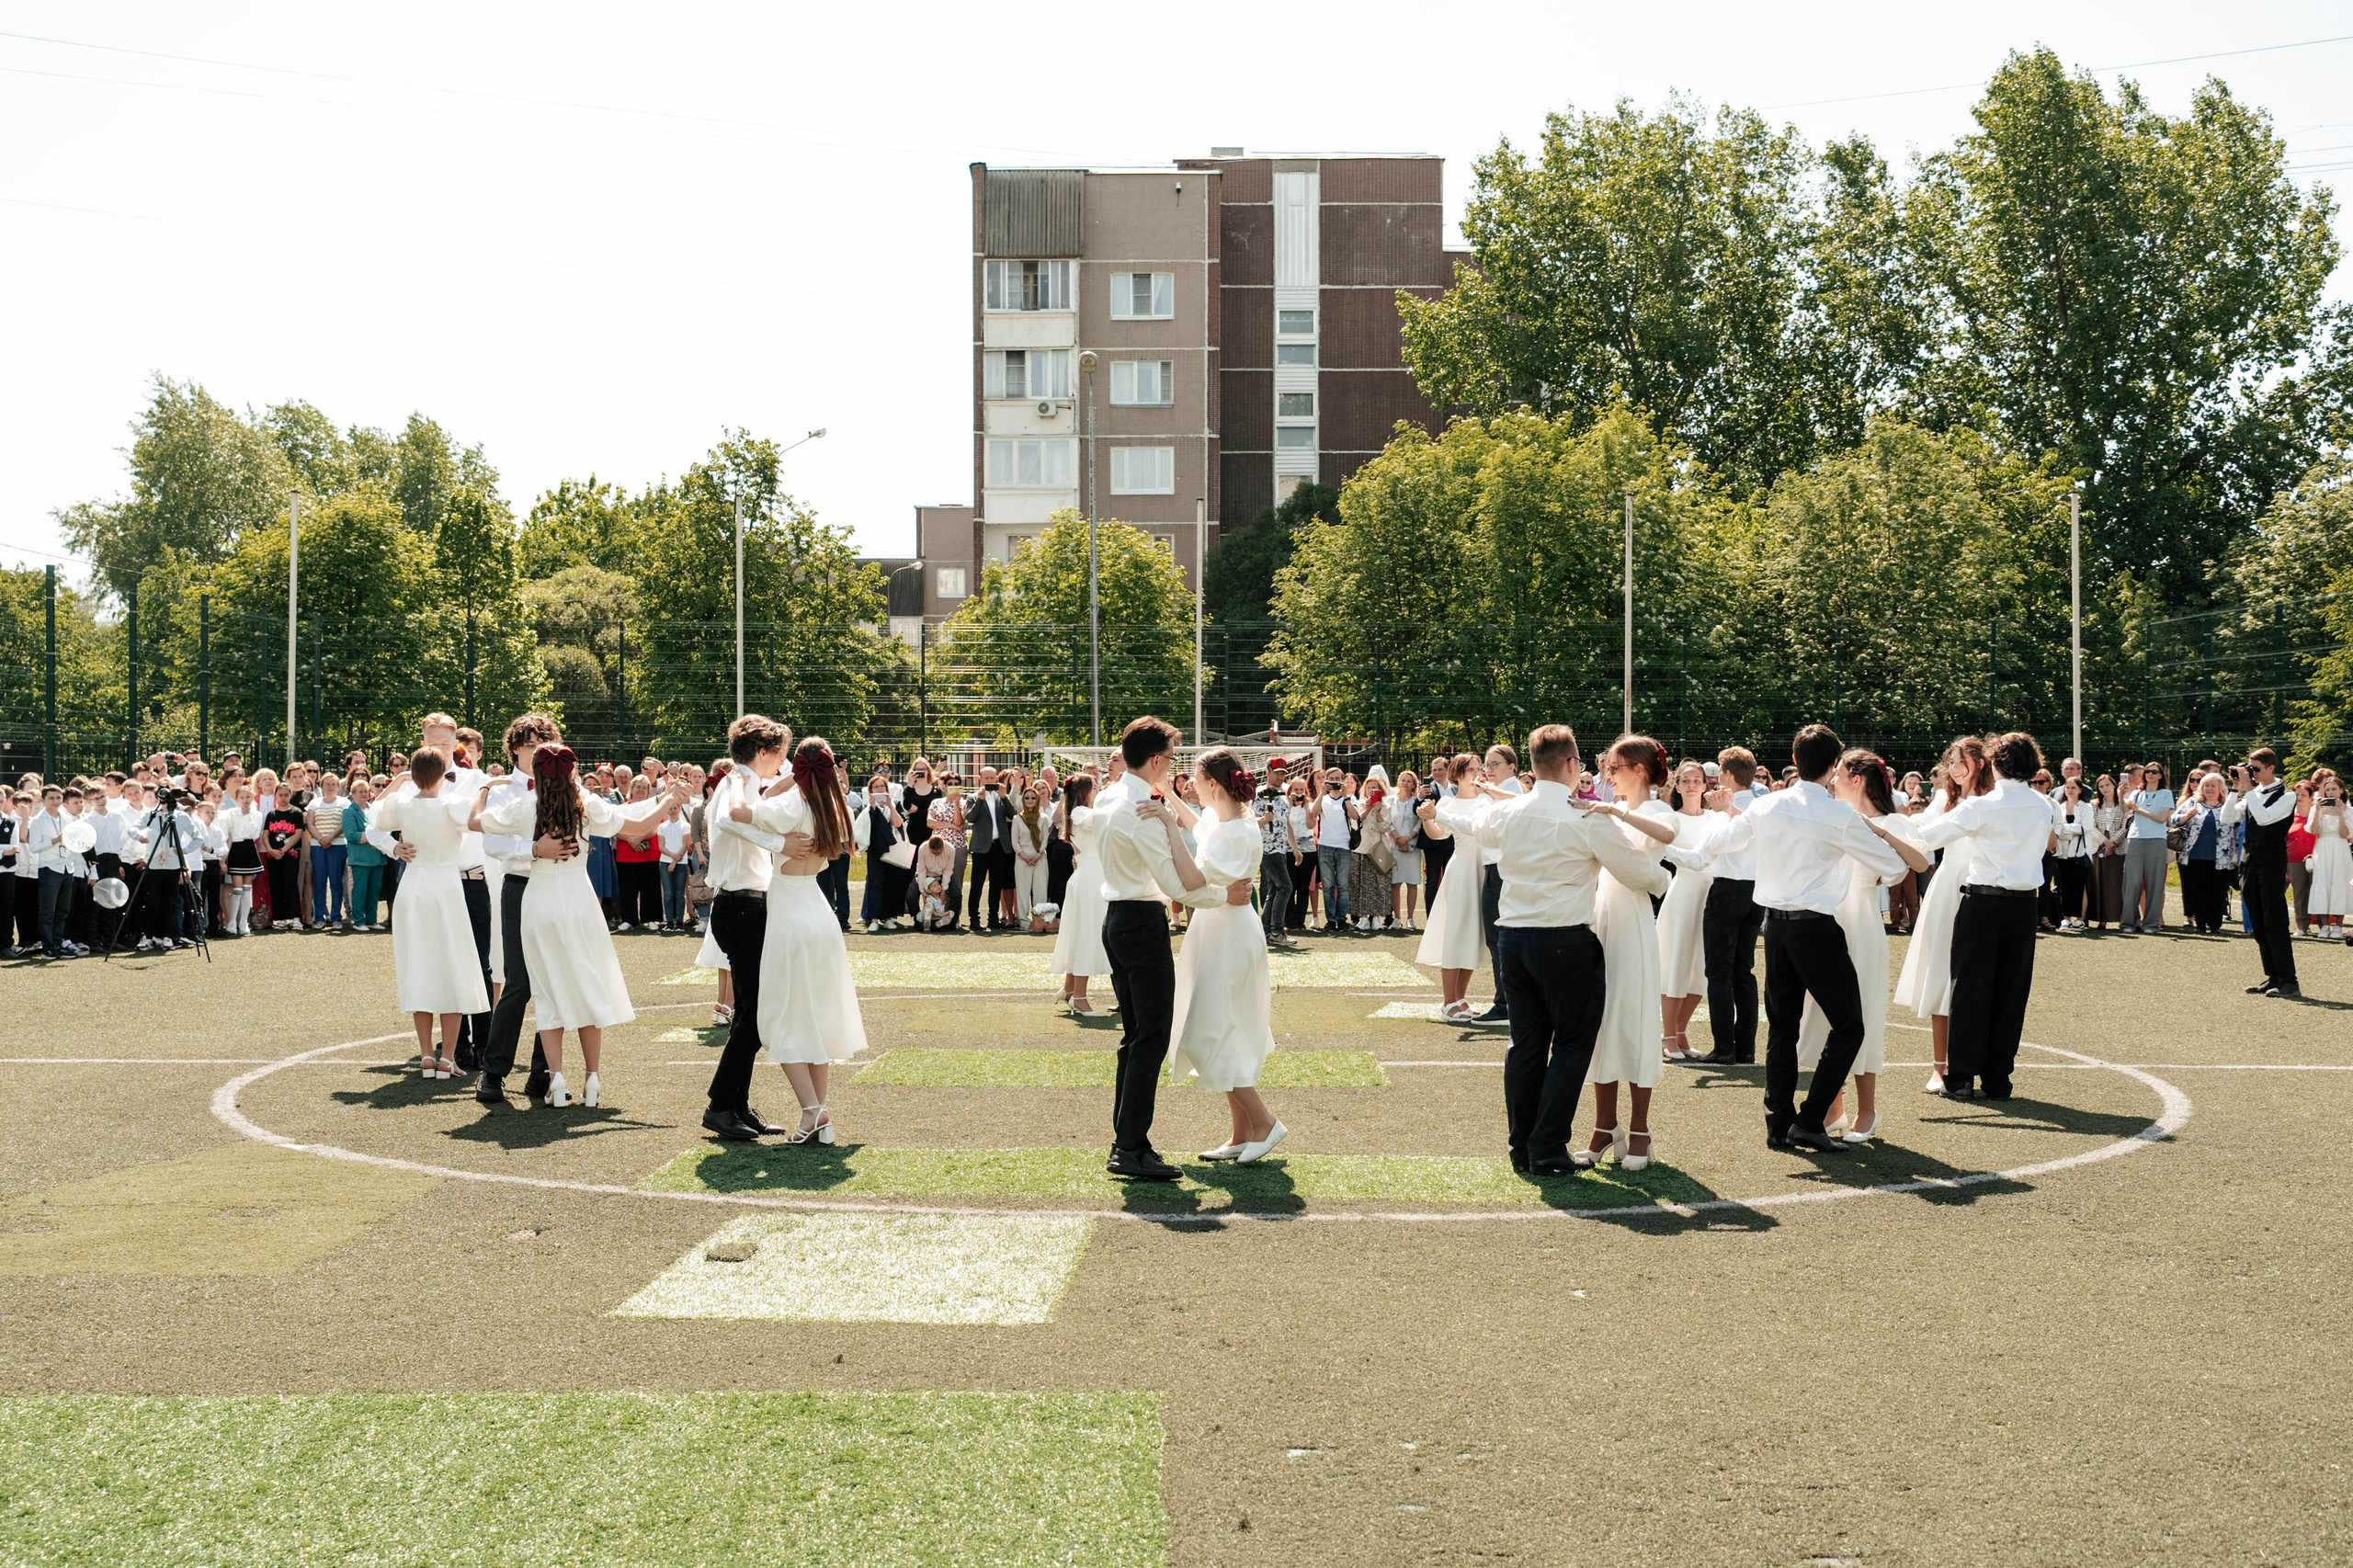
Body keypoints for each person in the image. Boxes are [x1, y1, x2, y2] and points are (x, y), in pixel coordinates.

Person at [1433, 724, 1669, 1174]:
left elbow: (1472, 824)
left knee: (1525, 1044)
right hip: (1564, 941)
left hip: (1514, 940)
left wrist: (1441, 813)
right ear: (1570, 764)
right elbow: (1638, 873)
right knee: (1573, 1044)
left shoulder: (1510, 811)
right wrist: (1665, 880)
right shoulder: (1585, 815)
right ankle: (1546, 1145)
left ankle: (1522, 1147)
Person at [1687, 724, 1911, 1153]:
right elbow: (1894, 867)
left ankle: (1779, 1123)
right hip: (1816, 928)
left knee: (1783, 1029)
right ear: (1833, 766)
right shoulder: (1837, 815)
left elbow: (1718, 841)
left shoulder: (1768, 806)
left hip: (1776, 928)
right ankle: (1809, 1119)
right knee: (1850, 1027)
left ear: (1794, 759)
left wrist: (1718, 814)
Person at [476, 744, 682, 1109]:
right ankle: (592, 1078)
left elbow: (475, 822)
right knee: (587, 984)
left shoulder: (523, 805)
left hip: (539, 901)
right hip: (579, 902)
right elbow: (637, 826)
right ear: (572, 773)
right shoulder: (586, 804)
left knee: (545, 992)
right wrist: (667, 801)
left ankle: (555, 1079)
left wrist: (484, 790)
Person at [1092, 717, 1252, 1181]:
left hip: (1117, 919)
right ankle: (1130, 1147)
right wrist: (1225, 896)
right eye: (1171, 757)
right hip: (1140, 923)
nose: (1174, 766)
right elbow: (1178, 885)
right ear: (1156, 761)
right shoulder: (1139, 808)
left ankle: (1127, 1140)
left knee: (1135, 1036)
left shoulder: (1109, 796)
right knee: (1150, 1037)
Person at [737, 735, 868, 1143]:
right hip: (819, 914)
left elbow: (737, 815)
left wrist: (768, 785)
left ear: (797, 768)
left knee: (781, 1018)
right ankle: (817, 1114)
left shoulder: (791, 804)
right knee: (816, 1016)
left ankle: (814, 1110)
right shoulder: (835, 806)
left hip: (791, 917)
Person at [1911, 732, 2055, 1101]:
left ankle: (1960, 1079)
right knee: (2011, 993)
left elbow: (1927, 836)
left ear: (1994, 763)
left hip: (1983, 903)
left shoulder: (1983, 806)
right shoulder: (2044, 806)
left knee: (1969, 992)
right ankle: (1997, 1078)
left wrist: (1885, 826)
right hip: (2024, 906)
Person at [1795, 751, 1930, 1142]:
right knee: (1822, 1013)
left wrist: (1878, 831)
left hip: (1863, 920)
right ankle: (1832, 1110)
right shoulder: (1831, 813)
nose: (1832, 779)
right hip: (1825, 916)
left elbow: (1920, 863)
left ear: (1857, 779)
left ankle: (1867, 1111)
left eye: (1838, 773)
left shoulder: (1893, 821)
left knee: (1863, 1012)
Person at [1168, 748, 1287, 1163]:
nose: (1193, 788)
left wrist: (1165, 827)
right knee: (1224, 1027)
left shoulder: (1234, 830)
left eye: (1197, 782)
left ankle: (1265, 1122)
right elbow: (1201, 828)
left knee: (1212, 1029)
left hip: (1229, 933)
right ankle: (1242, 1133)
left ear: (1214, 785)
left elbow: (1194, 879)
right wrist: (1172, 799)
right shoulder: (1232, 821)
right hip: (1222, 927)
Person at [1574, 737, 1682, 1171]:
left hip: (1634, 920)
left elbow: (1668, 835)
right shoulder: (1605, 806)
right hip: (1600, 914)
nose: (1607, 775)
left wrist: (1614, 811)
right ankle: (1604, 1127)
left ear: (1639, 769)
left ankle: (1640, 1130)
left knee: (1635, 1019)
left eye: (1614, 768)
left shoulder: (1657, 810)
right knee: (1599, 1020)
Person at [698, 721, 806, 1142]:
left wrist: (792, 780)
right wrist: (781, 845)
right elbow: (730, 820)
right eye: (781, 753)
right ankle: (720, 1106)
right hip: (740, 907)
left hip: (744, 906)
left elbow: (762, 800)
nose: (783, 761)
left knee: (750, 1012)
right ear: (763, 751)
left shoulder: (742, 781)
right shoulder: (736, 782)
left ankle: (735, 1105)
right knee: (755, 1014)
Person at [365, 747, 491, 1079]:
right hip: (445, 889)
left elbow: (374, 815)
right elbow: (479, 818)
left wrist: (398, 781)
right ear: (441, 775)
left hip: (413, 888)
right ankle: (446, 1057)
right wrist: (485, 787)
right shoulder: (451, 805)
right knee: (454, 968)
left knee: (418, 967)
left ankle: (426, 1055)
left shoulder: (403, 804)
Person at [471, 713, 567, 1107]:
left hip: (558, 888)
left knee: (554, 982)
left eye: (545, 743)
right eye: (530, 745)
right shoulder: (501, 790)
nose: (538, 750)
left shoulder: (565, 786)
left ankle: (544, 1073)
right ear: (513, 750)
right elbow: (491, 844)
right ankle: (492, 1071)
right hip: (520, 887)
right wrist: (533, 849)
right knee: (520, 983)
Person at [1893, 736, 1993, 1095]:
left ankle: (1977, 1065)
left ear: (1981, 763)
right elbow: (1920, 833)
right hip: (1947, 887)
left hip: (1983, 888)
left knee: (1975, 980)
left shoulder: (1993, 800)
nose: (1955, 768)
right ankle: (1940, 1067)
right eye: (1951, 762)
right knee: (1940, 975)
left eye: (1961, 761)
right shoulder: (1943, 800)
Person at [1688, 745, 1767, 1067]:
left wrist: (1720, 812)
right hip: (1755, 891)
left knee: (1719, 971)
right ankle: (1745, 1048)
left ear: (1730, 774)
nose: (1717, 777)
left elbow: (1711, 846)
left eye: (1720, 771)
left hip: (1728, 889)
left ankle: (1724, 1048)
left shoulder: (1733, 809)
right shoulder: (1761, 806)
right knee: (1743, 970)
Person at [2223, 748, 2304, 994]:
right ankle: (2273, 976)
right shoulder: (2253, 793)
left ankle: (2289, 980)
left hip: (2272, 861)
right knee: (2258, 920)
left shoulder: (2287, 796)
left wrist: (2248, 789)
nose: (2253, 773)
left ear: (2271, 768)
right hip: (2249, 861)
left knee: (2274, 919)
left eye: (2256, 769)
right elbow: (2226, 817)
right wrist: (2235, 789)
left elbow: (2264, 818)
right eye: (2250, 769)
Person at [1414, 755, 1484, 1018]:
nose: (1477, 773)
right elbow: (1437, 834)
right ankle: (1448, 1002)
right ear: (1458, 774)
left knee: (1474, 935)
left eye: (1479, 768)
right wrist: (1426, 818)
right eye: (1471, 769)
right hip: (1462, 870)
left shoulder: (1487, 800)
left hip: (1484, 870)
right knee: (1456, 933)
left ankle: (1460, 998)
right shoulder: (1449, 803)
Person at [1656, 759, 1714, 1062]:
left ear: (1705, 785)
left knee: (1700, 969)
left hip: (1710, 895)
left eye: (1697, 780)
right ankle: (1667, 1036)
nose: (1692, 785)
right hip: (1683, 894)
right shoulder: (1671, 820)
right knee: (1676, 963)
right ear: (1677, 786)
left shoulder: (1715, 819)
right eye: (1686, 780)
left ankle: (1680, 1032)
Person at [1050, 775, 1110, 1015]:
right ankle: (1080, 997)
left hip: (1092, 876)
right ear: (1083, 792)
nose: (1099, 791)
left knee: (1081, 933)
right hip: (1089, 879)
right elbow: (1097, 819)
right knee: (1087, 935)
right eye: (1095, 787)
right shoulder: (1080, 813)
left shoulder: (1085, 812)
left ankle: (1069, 989)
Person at [2170, 773, 2234, 935]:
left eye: (2213, 786)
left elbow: (2236, 828)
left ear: (2220, 788)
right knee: (2197, 891)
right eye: (2206, 785)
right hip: (2194, 856)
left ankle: (2215, 924)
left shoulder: (2228, 806)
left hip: (2221, 857)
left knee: (2218, 891)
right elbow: (2174, 820)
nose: (2209, 789)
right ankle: (2200, 924)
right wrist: (2187, 816)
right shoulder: (2193, 803)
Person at [2120, 761, 2175, 933]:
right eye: (2147, 771)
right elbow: (2125, 810)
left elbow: (2162, 818)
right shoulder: (2136, 793)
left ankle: (2151, 924)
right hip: (2135, 839)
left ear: (2160, 775)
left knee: (2155, 883)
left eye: (2154, 771)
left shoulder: (2166, 794)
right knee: (2132, 882)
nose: (2150, 774)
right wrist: (2121, 797)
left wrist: (2139, 810)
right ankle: (2128, 923)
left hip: (2157, 840)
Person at [965, 764, 1017, 932]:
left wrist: (1004, 797)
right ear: (980, 779)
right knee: (977, 885)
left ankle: (993, 918)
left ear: (996, 779)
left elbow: (1013, 815)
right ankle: (974, 919)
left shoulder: (1000, 796)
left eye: (992, 778)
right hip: (981, 848)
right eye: (986, 778)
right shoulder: (973, 797)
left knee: (996, 885)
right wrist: (980, 800)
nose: (989, 780)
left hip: (999, 847)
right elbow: (970, 818)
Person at [1311, 767, 1357, 934]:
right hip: (1325, 845)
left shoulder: (1349, 798)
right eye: (1332, 779)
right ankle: (1331, 920)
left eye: (1338, 779)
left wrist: (1345, 796)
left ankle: (1342, 919)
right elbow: (1313, 813)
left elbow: (1355, 816)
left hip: (1344, 846)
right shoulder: (1323, 798)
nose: (1336, 782)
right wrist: (1322, 793)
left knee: (1343, 886)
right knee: (1328, 886)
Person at [2050, 772, 2096, 932]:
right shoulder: (2060, 807)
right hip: (2063, 852)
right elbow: (2057, 828)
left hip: (2080, 853)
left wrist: (2066, 829)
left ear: (2080, 790)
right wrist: (2071, 830)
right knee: (2064, 886)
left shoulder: (2086, 807)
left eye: (2073, 788)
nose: (2070, 790)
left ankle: (2080, 919)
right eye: (2067, 787)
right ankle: (2066, 918)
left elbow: (2086, 828)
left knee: (2079, 886)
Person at [345, 778, 388, 931]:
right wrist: (372, 837)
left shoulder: (373, 809)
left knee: (374, 891)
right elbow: (351, 835)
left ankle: (371, 920)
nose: (364, 794)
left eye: (366, 791)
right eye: (360, 791)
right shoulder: (349, 812)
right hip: (360, 859)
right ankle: (358, 921)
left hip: (377, 857)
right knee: (360, 890)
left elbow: (384, 828)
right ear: (353, 794)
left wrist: (380, 838)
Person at [1013, 784, 1051, 931]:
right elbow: (1015, 841)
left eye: (1033, 798)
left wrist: (1039, 854)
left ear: (1037, 800)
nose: (1030, 800)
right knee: (1022, 892)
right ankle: (1024, 922)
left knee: (1041, 891)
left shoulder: (1043, 818)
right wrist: (1023, 856)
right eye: (1027, 798)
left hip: (1040, 859)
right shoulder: (1017, 818)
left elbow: (1045, 839)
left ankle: (1039, 921)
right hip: (1022, 859)